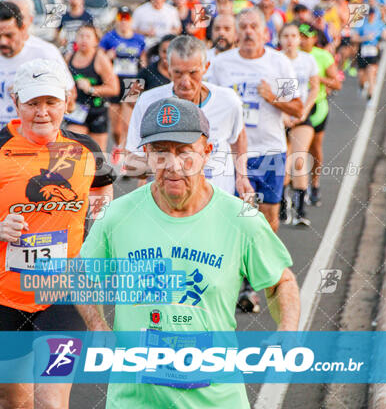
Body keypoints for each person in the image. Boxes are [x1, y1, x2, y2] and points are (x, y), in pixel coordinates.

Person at [79, 96, 300, 409]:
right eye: (159, 152)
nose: (172, 165)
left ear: (206, 153)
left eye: (184, 151)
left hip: (217, 399)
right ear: (146, 154)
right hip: (135, 400)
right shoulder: (116, 216)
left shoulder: (240, 219)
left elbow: (281, 282)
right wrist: (96, 325)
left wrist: (287, 330)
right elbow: (83, 276)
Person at [0, 58, 115, 409]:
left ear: (67, 101)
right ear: (15, 100)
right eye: (33, 102)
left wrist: (101, 216)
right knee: (14, 400)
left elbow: (104, 191)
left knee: (51, 401)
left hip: (62, 298)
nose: (42, 112)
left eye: (51, 102)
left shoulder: (86, 150)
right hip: (5, 298)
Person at [208, 8, 303, 233]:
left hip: (270, 150)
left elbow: (297, 108)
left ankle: (265, 265)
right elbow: (210, 104)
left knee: (269, 217)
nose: (248, 32)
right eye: (243, 27)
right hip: (233, 153)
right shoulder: (222, 63)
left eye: (254, 27)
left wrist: (272, 97)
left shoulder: (279, 63)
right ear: (236, 33)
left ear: (265, 33)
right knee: (233, 217)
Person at [125, 35, 253, 198]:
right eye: (178, 73)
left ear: (206, 67)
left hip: (215, 201)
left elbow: (238, 137)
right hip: (168, 202)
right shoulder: (148, 102)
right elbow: (130, 163)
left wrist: (242, 177)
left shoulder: (228, 101)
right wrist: (169, 164)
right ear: (168, 67)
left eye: (193, 73)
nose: (186, 82)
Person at [0, 2, 75, 129]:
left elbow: (70, 101)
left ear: (23, 29)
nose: (3, 42)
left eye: (9, 35)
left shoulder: (45, 52)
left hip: (31, 139)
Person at [279, 23, 319, 226]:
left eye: (293, 36)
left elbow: (315, 88)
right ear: (280, 39)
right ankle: (282, 202)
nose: (290, 40)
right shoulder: (274, 60)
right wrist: (283, 115)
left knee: (299, 160)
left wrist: (304, 111)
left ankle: (301, 211)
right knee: (283, 164)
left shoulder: (308, 60)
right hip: (280, 117)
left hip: (302, 117)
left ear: (299, 39)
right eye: (285, 36)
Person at [298, 23, 341, 206]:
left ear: (314, 39)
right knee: (297, 151)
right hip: (296, 107)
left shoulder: (322, 56)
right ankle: (298, 189)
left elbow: (336, 83)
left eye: (306, 37)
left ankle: (315, 184)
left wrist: (316, 78)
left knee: (314, 149)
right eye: (300, 36)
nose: (302, 40)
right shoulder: (289, 56)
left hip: (317, 107)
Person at [99, 6, 146, 161]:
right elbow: (99, 59)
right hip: (114, 81)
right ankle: (118, 144)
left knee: (127, 123)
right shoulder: (109, 38)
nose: (124, 22)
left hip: (133, 82)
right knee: (116, 128)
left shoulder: (139, 39)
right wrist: (108, 56)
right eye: (121, 18)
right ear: (117, 20)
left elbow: (144, 61)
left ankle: (126, 158)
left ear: (131, 21)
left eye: (127, 19)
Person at [65, 24, 119, 151]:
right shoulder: (69, 58)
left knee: (97, 157)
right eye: (81, 36)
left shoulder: (100, 59)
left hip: (97, 111)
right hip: (76, 111)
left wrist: (91, 89)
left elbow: (114, 88)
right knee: (73, 151)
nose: (84, 39)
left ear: (96, 41)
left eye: (88, 36)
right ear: (76, 39)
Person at [352, 6, 386, 103]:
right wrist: (365, 38)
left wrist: (383, 36)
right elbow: (353, 38)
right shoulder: (361, 24)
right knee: (361, 75)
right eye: (369, 14)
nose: (371, 16)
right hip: (363, 51)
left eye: (373, 14)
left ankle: (370, 97)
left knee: (371, 73)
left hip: (373, 52)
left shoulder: (379, 23)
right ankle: (362, 85)